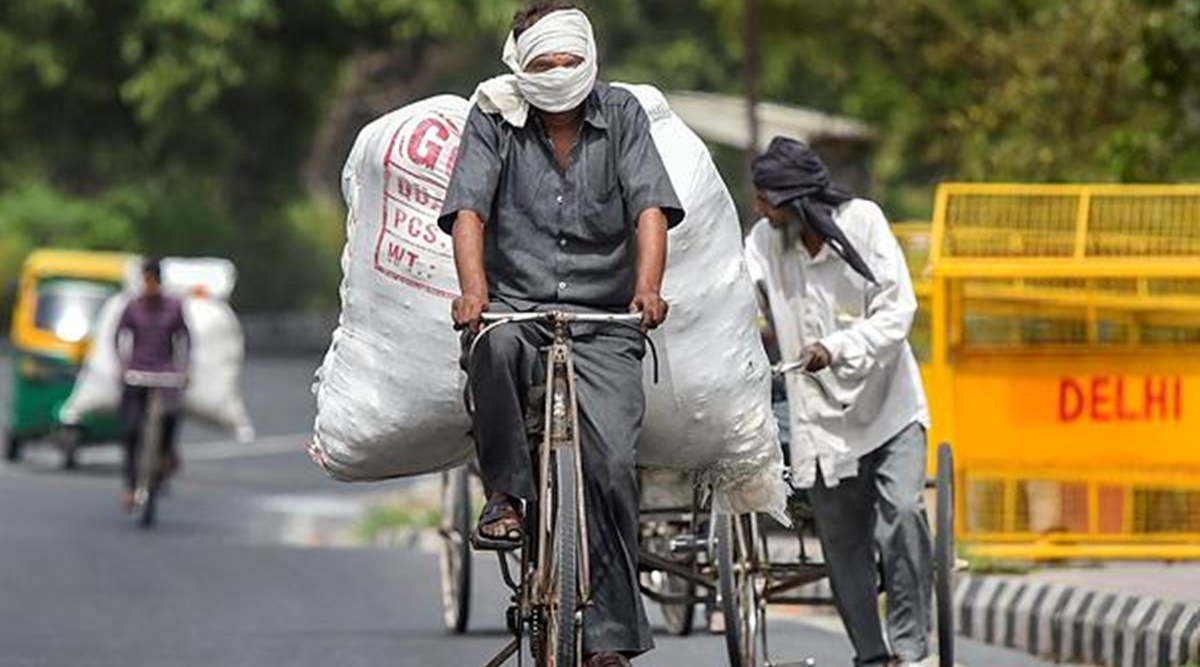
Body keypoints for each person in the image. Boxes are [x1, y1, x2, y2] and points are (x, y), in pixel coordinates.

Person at [437, 3, 684, 664]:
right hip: (514, 306)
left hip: (605, 320)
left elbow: (650, 205)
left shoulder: (623, 115)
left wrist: (649, 286)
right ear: (521, 65)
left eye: (568, 61)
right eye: (542, 64)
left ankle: (609, 641)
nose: (558, 73)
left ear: (590, 58)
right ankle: (505, 495)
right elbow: (468, 211)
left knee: (608, 465)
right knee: (492, 351)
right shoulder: (494, 115)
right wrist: (475, 295)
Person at [744, 137, 934, 667]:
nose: (760, 210)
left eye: (766, 199)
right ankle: (871, 657)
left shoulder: (865, 222)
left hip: (891, 409)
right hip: (820, 425)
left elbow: (897, 311)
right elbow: (739, 296)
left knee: (902, 514)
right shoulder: (763, 243)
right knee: (843, 544)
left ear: (794, 199)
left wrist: (836, 347)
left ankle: (913, 651)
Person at [114, 259, 190, 511]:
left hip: (165, 373)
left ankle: (166, 456)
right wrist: (122, 365)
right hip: (137, 372)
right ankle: (130, 486)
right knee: (130, 430)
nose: (149, 286)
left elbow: (185, 336)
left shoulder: (173, 307)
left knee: (170, 416)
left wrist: (183, 368)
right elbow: (119, 334)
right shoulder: (133, 307)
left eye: (153, 280)